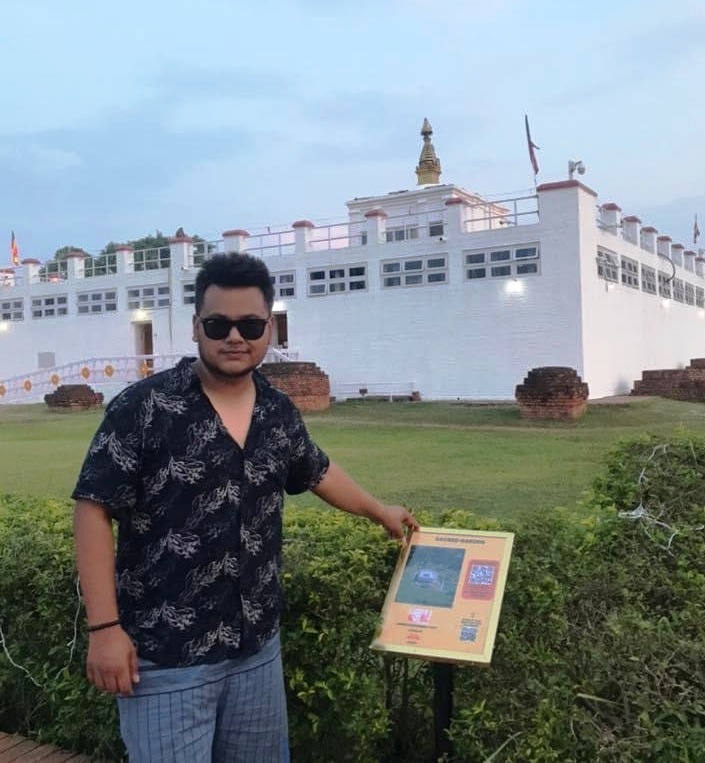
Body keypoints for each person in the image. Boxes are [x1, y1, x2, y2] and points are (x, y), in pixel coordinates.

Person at [72, 252, 418, 763]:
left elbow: (317, 470)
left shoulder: (277, 412)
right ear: (196, 328)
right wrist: (104, 630)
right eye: (219, 324)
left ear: (268, 331)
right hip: (168, 656)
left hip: (256, 651)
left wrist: (377, 510)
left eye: (251, 325)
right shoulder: (144, 407)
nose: (235, 337)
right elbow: (93, 509)